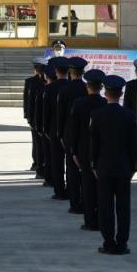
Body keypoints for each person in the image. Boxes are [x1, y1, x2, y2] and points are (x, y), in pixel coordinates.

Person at [89, 75, 136, 256]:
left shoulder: (97, 115)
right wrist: (133, 166)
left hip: (104, 166)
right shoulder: (129, 115)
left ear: (105, 93)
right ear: (121, 94)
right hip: (124, 166)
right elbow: (134, 145)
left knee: (105, 206)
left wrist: (93, 164)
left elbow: (94, 142)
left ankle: (108, 242)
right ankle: (122, 243)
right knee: (123, 207)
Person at [66, 69, 107, 231]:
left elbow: (73, 130)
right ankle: (101, 218)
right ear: (101, 87)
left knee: (87, 185)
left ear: (87, 86)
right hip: (101, 150)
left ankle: (90, 220)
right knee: (101, 186)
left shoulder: (79, 104)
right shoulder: (104, 103)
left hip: (83, 149)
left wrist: (73, 151)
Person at [57, 56, 88, 214]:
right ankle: (87, 201)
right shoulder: (87, 88)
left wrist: (61, 134)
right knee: (87, 169)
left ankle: (75, 203)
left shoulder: (64, 89)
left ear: (70, 71)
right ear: (83, 72)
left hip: (69, 132)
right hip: (87, 133)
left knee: (72, 169)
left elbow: (60, 115)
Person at [45, 57, 70, 200]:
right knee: (72, 162)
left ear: (55, 71)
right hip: (72, 128)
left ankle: (59, 190)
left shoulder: (49, 88)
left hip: (54, 128)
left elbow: (46, 112)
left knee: (57, 160)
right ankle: (72, 189)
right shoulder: (74, 87)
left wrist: (45, 129)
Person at [24, 57, 47, 176]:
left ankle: (41, 165)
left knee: (42, 143)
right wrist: (27, 116)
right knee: (36, 142)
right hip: (34, 117)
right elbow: (27, 100)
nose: (36, 69)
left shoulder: (48, 81)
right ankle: (37, 163)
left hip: (45, 116)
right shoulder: (30, 81)